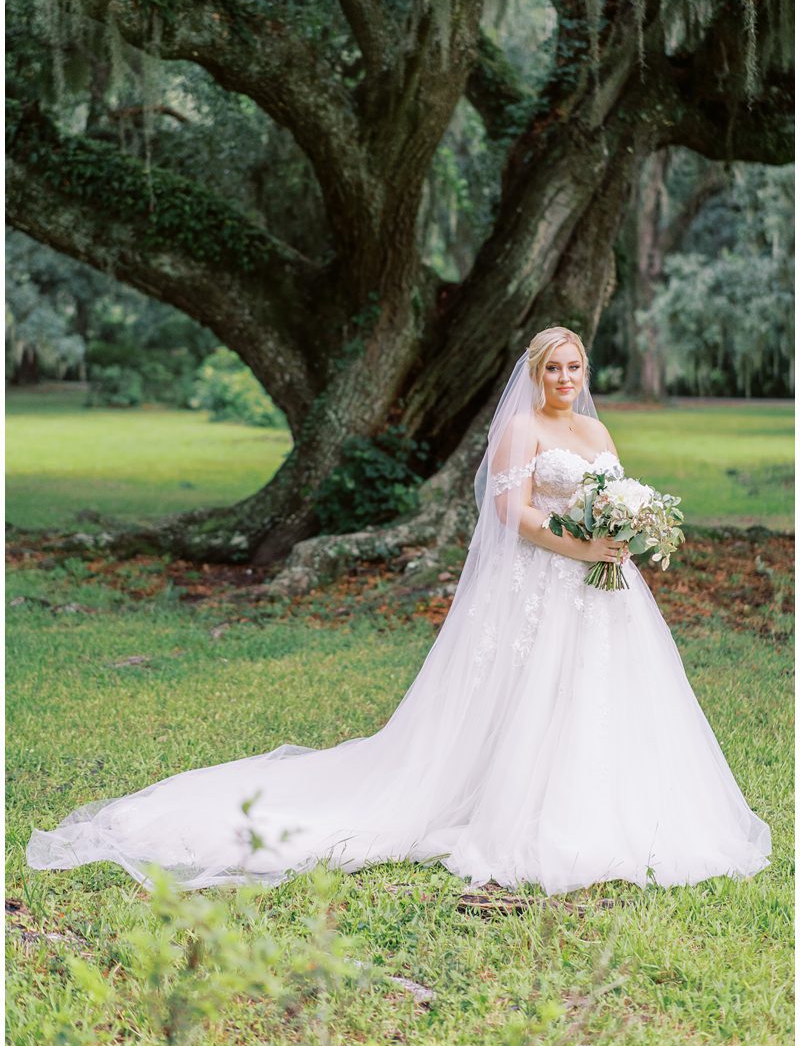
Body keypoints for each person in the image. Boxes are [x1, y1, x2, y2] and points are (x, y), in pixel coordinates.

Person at [27, 327, 771, 895]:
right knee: (528, 701)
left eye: (574, 367)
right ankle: (510, 810)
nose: (565, 378)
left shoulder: (598, 432)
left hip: (603, 594)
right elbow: (511, 513)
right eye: (553, 367)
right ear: (536, 374)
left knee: (605, 702)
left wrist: (623, 536)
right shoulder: (523, 430)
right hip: (546, 583)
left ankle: (614, 811)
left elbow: (608, 499)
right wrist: (580, 550)